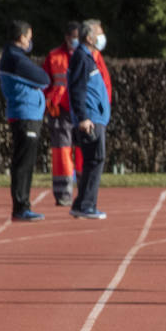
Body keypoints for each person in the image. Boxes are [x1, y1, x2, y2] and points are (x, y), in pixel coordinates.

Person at [44, 20, 110, 207]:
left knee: (85, 155)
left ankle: (84, 194)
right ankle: (65, 194)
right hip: (64, 112)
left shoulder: (92, 56)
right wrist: (49, 101)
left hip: (86, 113)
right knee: (62, 153)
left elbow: (103, 85)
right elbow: (48, 81)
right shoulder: (57, 56)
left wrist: (102, 108)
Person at [0, 19, 49, 222]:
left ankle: (24, 204)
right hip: (24, 114)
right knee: (23, 162)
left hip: (29, 113)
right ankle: (20, 206)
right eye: (29, 37)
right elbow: (43, 79)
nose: (30, 41)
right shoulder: (16, 58)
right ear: (21, 38)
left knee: (26, 162)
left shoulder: (14, 56)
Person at [67, 19, 111, 220]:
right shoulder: (82, 58)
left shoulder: (87, 58)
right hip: (90, 118)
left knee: (93, 160)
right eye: (99, 33)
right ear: (89, 37)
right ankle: (87, 205)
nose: (101, 38)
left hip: (95, 115)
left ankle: (81, 204)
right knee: (95, 159)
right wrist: (83, 118)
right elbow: (77, 90)